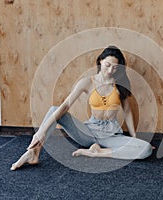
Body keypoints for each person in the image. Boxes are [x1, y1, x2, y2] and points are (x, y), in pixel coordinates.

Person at [11, 46, 153, 171]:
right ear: (100, 61)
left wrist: (134, 139)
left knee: (145, 149)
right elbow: (66, 105)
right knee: (55, 109)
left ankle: (98, 152)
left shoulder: (120, 85)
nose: (110, 70)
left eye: (115, 67)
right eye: (107, 65)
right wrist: (40, 133)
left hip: (112, 135)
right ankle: (34, 152)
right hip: (88, 132)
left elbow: (127, 112)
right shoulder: (87, 82)